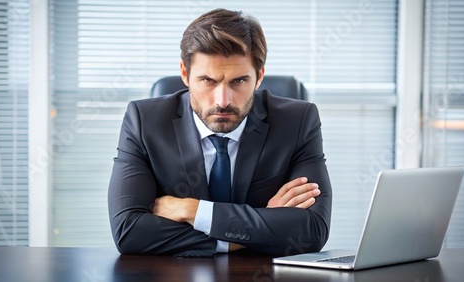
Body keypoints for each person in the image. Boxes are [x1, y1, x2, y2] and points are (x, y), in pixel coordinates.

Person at [108, 8, 332, 257]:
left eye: (238, 81)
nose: (223, 100)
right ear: (185, 73)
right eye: (208, 80)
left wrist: (193, 211)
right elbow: (129, 232)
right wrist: (258, 229)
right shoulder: (144, 122)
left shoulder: (298, 121)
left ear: (259, 77)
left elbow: (312, 231)